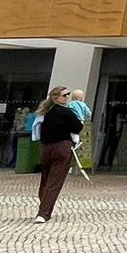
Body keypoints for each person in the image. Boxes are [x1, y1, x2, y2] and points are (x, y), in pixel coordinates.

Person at [32, 90, 85, 223]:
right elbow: (78, 126)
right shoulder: (66, 112)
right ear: (56, 98)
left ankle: (43, 207)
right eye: (65, 95)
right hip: (62, 147)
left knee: (46, 179)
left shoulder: (44, 112)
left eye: (68, 94)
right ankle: (43, 213)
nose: (68, 97)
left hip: (46, 148)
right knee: (54, 181)